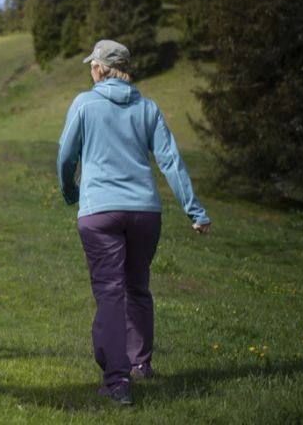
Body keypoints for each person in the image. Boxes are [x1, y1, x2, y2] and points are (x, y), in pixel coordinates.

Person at [56, 39, 211, 405]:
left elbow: (65, 155)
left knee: (110, 293)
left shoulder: (84, 103)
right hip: (145, 213)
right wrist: (195, 211)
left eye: (91, 66)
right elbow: (170, 161)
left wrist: (69, 191)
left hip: (100, 213)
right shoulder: (149, 109)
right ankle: (141, 364)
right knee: (137, 288)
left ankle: (117, 381)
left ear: (99, 68)